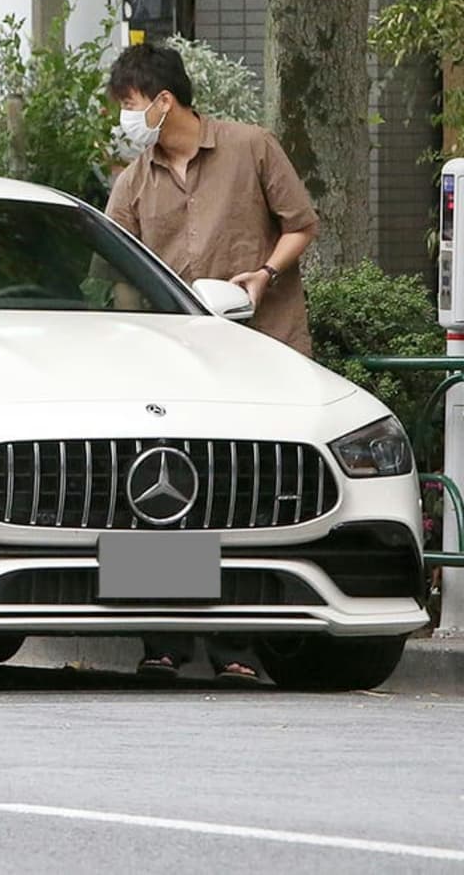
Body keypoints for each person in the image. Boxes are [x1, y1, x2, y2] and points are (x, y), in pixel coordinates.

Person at [103, 43, 321, 684]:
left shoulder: (252, 147)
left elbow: (301, 223)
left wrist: (264, 274)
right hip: (169, 364)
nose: (124, 118)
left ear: (163, 101)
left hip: (263, 346)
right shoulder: (134, 178)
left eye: (129, 104)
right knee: (159, 493)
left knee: (248, 495)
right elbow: (119, 268)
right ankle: (162, 642)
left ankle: (237, 646)